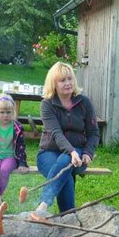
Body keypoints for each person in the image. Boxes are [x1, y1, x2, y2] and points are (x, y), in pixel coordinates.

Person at [29, 61, 99, 216]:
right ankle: (69, 219)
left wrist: (87, 152)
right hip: (49, 152)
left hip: (79, 155)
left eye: (70, 79)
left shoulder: (84, 102)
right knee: (64, 175)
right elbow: (55, 133)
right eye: (62, 80)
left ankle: (43, 204)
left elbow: (94, 133)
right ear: (53, 83)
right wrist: (71, 151)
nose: (68, 83)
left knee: (65, 162)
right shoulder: (47, 104)